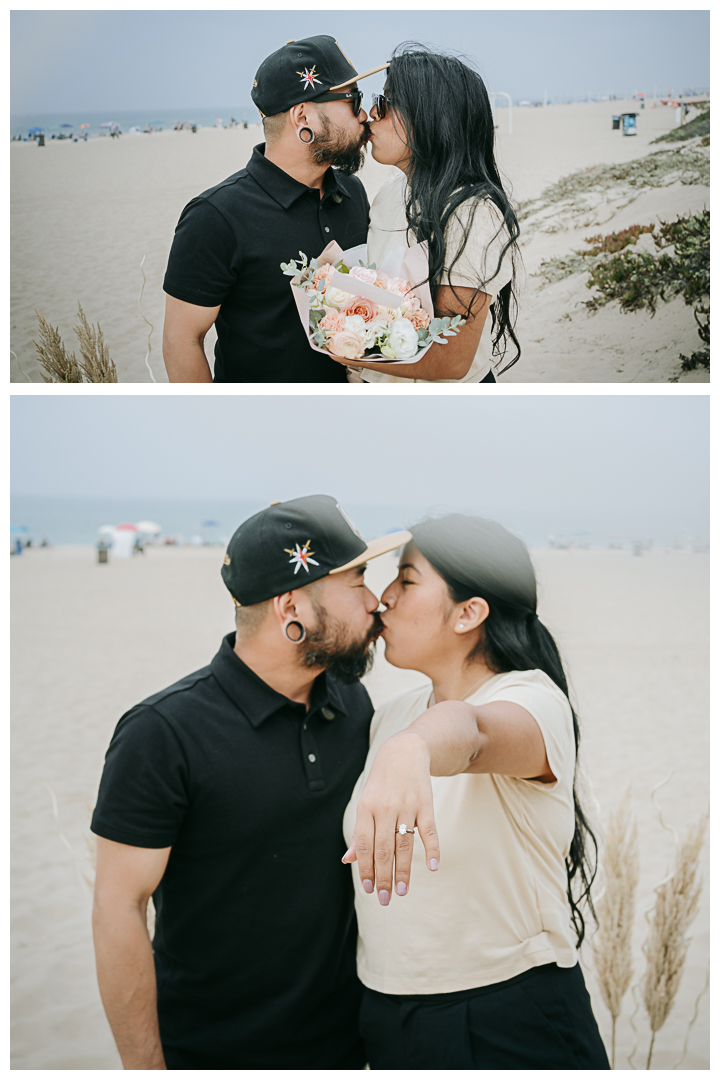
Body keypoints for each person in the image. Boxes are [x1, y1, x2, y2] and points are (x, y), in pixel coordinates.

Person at [90, 495, 410, 1069]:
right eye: (358, 581)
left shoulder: (352, 702)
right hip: (211, 1055)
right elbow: (118, 910)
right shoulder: (162, 734)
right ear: (293, 605)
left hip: (344, 1051)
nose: (375, 602)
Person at [342, 515, 609, 1069]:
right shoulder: (389, 717)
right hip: (387, 1014)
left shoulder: (533, 703)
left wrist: (410, 749)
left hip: (506, 1014)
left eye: (407, 580)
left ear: (470, 612)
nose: (384, 599)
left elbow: (473, 732)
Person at [162, 35, 388, 384]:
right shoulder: (215, 216)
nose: (364, 115)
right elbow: (182, 341)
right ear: (303, 116)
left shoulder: (352, 191)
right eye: (353, 100)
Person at [330, 45, 521, 385]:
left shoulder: (473, 214)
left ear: (429, 116)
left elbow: (451, 359)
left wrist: (345, 350)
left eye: (385, 103)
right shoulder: (390, 194)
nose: (372, 113)